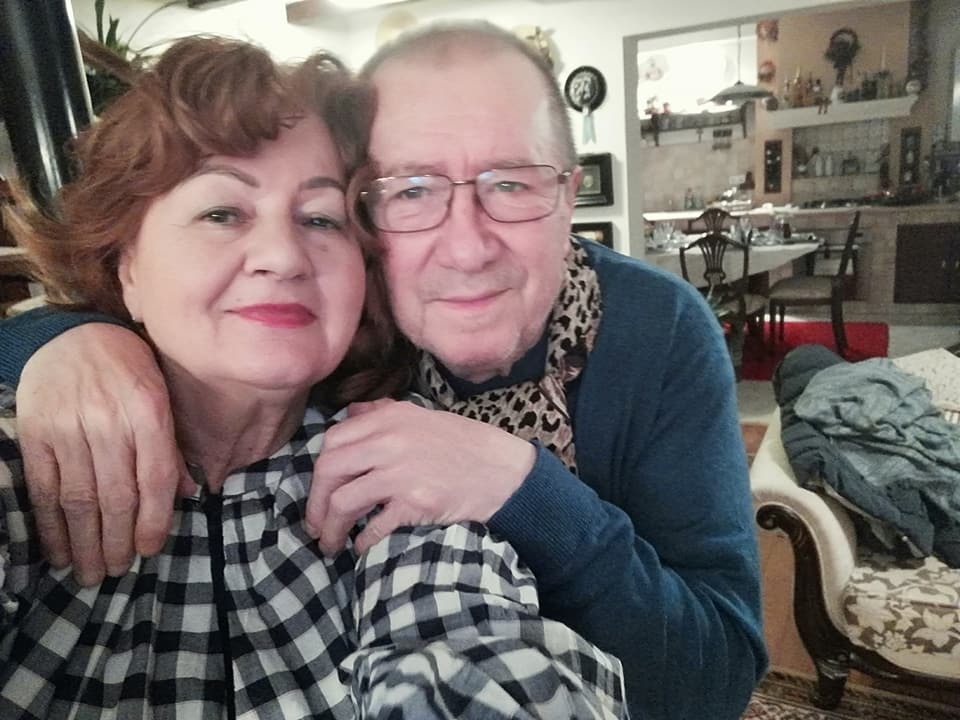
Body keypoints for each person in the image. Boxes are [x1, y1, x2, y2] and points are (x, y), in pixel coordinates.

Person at [0, 21, 767, 718]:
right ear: (373, 223)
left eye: (511, 183)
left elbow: (712, 682)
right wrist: (65, 339)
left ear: (568, 197)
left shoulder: (654, 330)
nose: (465, 248)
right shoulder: (348, 324)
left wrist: (522, 488)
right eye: (412, 190)